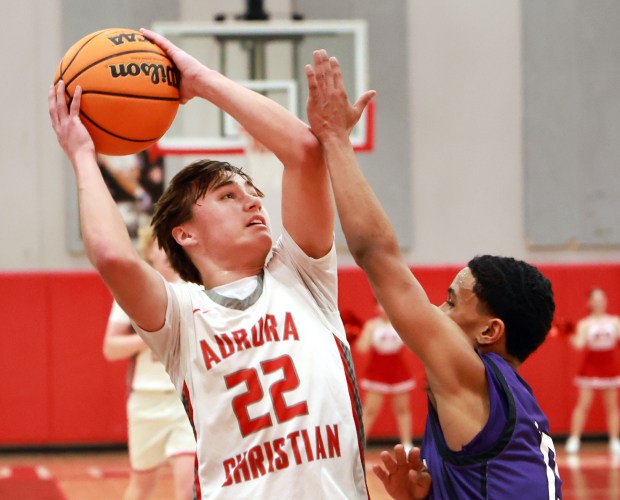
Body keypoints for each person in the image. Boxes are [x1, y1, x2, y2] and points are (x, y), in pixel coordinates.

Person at [48, 29, 374, 498]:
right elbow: (113, 256)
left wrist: (199, 80)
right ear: (185, 234)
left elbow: (304, 153)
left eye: (251, 193)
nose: (253, 203)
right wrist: (82, 155)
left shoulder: (303, 277)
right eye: (227, 195)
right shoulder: (181, 316)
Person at [304, 49, 562, 498]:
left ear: (489, 331)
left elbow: (376, 254)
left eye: (450, 300)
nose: (435, 310)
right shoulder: (514, 403)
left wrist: (335, 139)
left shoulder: (474, 373)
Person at [102, 225, 196, 500]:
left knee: (187, 484)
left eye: (172, 243)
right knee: (142, 486)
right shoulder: (133, 291)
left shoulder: (195, 287)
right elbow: (110, 348)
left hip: (185, 400)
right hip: (146, 399)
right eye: (159, 243)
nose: (166, 249)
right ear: (148, 251)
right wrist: (150, 335)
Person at [566, 287, 620, 455]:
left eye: (601, 299)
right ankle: (574, 439)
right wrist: (568, 334)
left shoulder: (615, 321)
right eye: (595, 299)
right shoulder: (585, 323)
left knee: (612, 405)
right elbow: (579, 344)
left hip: (609, 365)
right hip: (591, 366)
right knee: (583, 404)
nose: (598, 303)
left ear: (606, 301)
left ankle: (614, 440)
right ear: (589, 303)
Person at [357, 301, 415, 451]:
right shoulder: (371, 325)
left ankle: (407, 445)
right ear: (376, 307)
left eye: (385, 304)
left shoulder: (400, 323)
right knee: (370, 410)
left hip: (397, 369)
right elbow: (362, 348)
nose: (383, 308)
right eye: (380, 305)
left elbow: (412, 344)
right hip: (377, 370)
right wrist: (362, 335)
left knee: (402, 409)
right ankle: (359, 445)